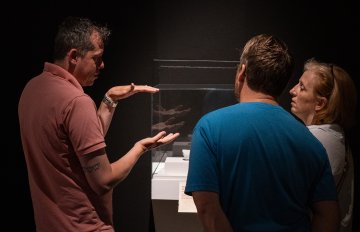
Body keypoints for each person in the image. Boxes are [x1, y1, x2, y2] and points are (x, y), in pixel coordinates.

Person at [18, 16, 179, 232]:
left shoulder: (32, 88)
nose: (102, 65)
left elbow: (78, 147)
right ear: (74, 56)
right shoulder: (76, 101)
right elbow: (103, 180)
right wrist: (140, 148)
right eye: (96, 58)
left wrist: (109, 99)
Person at [184, 34, 340, 231]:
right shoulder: (310, 141)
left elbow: (207, 208)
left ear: (242, 72)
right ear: (282, 83)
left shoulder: (209, 128)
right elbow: (328, 215)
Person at [289, 58, 357, 232]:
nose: (292, 91)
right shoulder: (334, 136)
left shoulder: (316, 139)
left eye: (302, 87)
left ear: (320, 103)